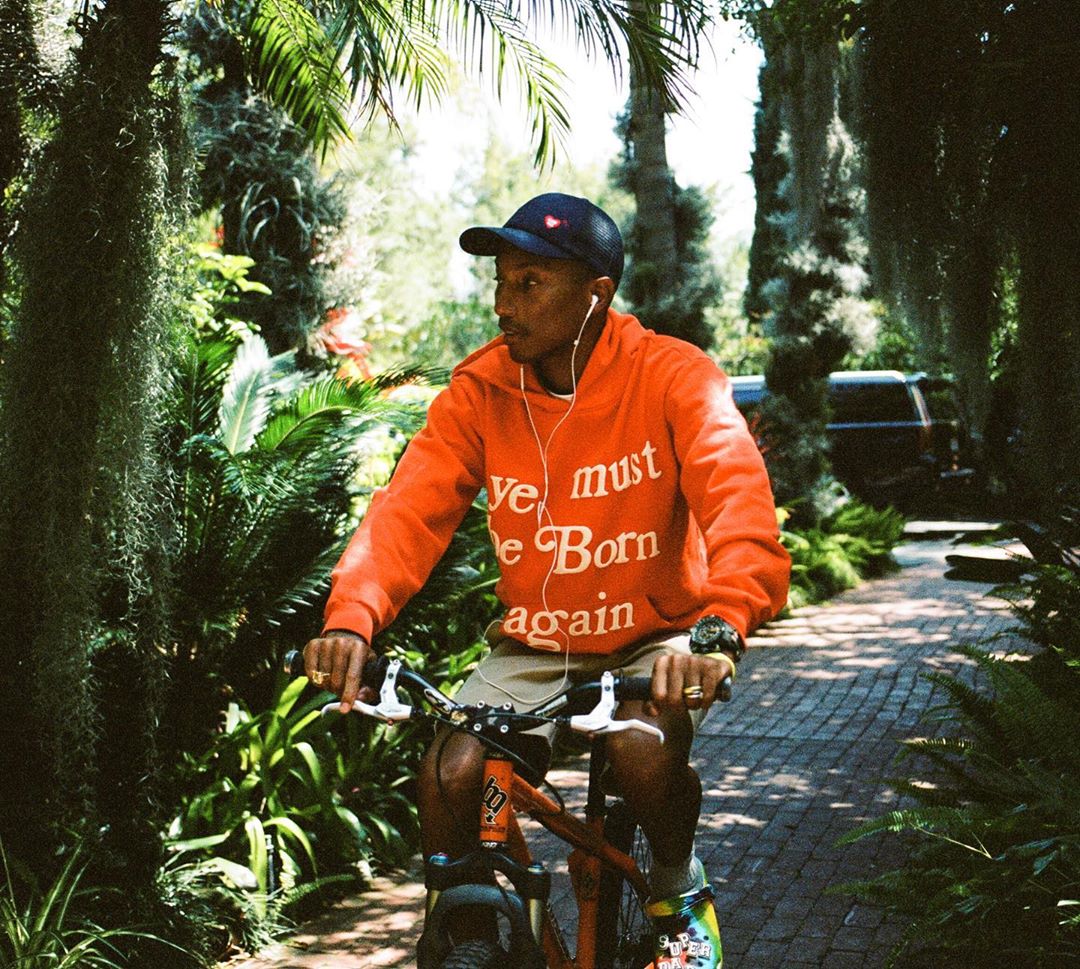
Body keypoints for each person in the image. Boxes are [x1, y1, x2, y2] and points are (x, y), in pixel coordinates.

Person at [303, 193, 790, 966]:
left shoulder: (672, 375)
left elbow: (738, 502)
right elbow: (409, 510)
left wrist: (720, 627)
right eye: (500, 281)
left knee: (642, 750)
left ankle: (673, 887)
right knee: (450, 767)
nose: (503, 304)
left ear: (596, 295)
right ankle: (464, 927)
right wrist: (350, 617)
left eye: (529, 283)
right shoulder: (482, 390)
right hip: (538, 643)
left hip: (650, 640)